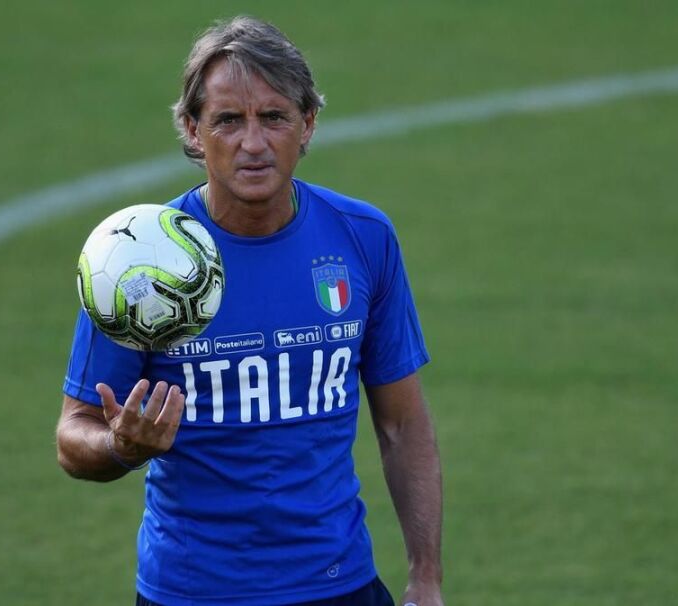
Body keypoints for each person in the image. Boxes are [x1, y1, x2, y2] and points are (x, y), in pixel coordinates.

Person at [56, 16, 445, 606]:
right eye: (229, 120)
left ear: (308, 123)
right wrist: (120, 447)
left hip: (338, 584)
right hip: (191, 592)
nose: (254, 143)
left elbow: (402, 425)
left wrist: (426, 576)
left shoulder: (363, 237)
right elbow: (73, 436)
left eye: (274, 117)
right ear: (193, 130)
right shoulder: (137, 260)